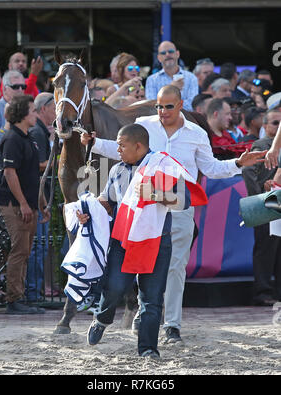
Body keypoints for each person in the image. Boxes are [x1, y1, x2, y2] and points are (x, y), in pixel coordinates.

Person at [81, 85, 267, 343]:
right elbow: (121, 149)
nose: (162, 111)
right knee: (137, 267)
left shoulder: (197, 133)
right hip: (144, 211)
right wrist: (95, 144)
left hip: (178, 208)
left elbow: (210, 168)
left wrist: (237, 163)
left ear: (180, 105)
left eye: (168, 106)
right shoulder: (144, 124)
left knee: (176, 268)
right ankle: (139, 312)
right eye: (159, 106)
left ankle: (172, 326)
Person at [84, 123, 204, 358]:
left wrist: (156, 195)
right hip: (123, 240)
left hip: (157, 241)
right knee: (114, 288)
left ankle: (148, 349)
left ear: (138, 146)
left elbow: (185, 201)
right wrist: (86, 210)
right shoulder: (117, 170)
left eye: (121, 145)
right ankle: (103, 318)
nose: (118, 150)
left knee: (151, 299)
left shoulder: (163, 166)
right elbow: (107, 202)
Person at [0, 95, 50, 315]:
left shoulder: (28, 138)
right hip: (14, 204)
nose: (36, 114)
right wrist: (24, 204)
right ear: (22, 114)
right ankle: (13, 300)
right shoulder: (12, 139)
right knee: (19, 251)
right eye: (33, 110)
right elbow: (9, 173)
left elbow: (32, 175)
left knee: (25, 251)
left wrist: (41, 203)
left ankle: (20, 297)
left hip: (27, 204)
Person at [242, 108, 281, 305]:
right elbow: (248, 172)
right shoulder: (261, 146)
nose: (278, 126)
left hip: (277, 205)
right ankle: (262, 292)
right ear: (264, 126)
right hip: (267, 205)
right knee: (265, 250)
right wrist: (258, 199)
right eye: (275, 123)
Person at [25, 92, 56, 302]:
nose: (57, 112)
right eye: (54, 107)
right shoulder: (37, 131)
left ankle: (35, 293)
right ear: (43, 108)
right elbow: (38, 165)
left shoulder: (41, 131)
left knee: (40, 245)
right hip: (36, 197)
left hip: (40, 196)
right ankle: (33, 294)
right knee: (38, 245)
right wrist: (59, 160)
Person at [145, 41, 198, 111]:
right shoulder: (151, 80)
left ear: (177, 54)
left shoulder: (191, 78)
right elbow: (152, 107)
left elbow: (193, 106)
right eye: (163, 53)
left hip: (185, 120)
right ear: (159, 58)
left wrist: (165, 104)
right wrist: (171, 89)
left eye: (171, 51)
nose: (167, 55)